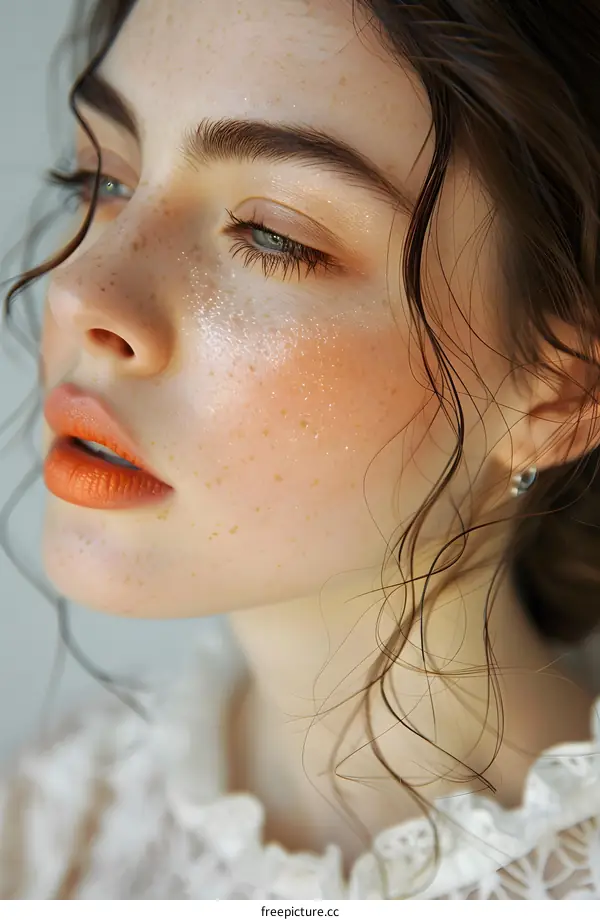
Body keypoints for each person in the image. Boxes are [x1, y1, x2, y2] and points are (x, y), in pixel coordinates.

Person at [1, 0, 600, 900]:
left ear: (561, 392)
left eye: (273, 233)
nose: (83, 289)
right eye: (101, 182)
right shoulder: (51, 832)